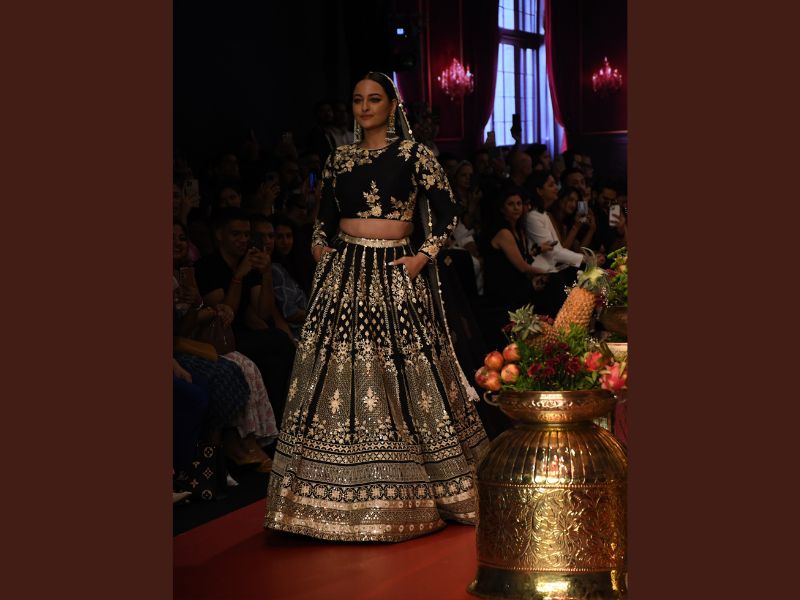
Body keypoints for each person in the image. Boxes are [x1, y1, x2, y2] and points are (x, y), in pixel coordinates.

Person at [263, 71, 489, 542]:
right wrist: (319, 245)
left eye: (373, 99)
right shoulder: (340, 158)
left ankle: (410, 489)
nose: (364, 107)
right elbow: (324, 216)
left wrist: (423, 256)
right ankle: (325, 497)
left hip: (395, 270)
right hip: (345, 274)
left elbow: (447, 210)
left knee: (402, 370)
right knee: (338, 373)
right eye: (357, 100)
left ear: (391, 105)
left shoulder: (413, 154)